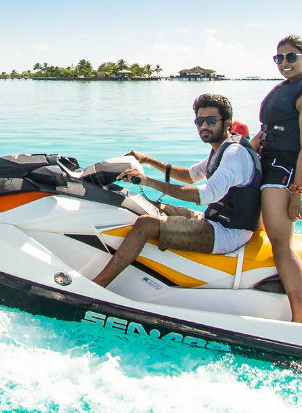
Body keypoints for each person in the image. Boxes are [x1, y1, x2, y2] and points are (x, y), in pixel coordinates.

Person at [91, 93, 260, 289]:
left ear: (228, 123)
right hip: (214, 220)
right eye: (199, 121)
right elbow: (191, 175)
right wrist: (148, 160)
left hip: (229, 233)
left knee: (145, 224)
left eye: (211, 121)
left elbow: (204, 195)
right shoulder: (221, 148)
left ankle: (97, 286)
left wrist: (149, 182)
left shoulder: (234, 154)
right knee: (144, 205)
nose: (204, 126)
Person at [252, 34, 302, 323]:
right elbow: (265, 131)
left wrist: (298, 190)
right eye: (279, 58)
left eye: (291, 56)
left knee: (281, 243)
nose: (284, 62)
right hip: (264, 165)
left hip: (282, 174)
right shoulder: (282, 89)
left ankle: (300, 317)